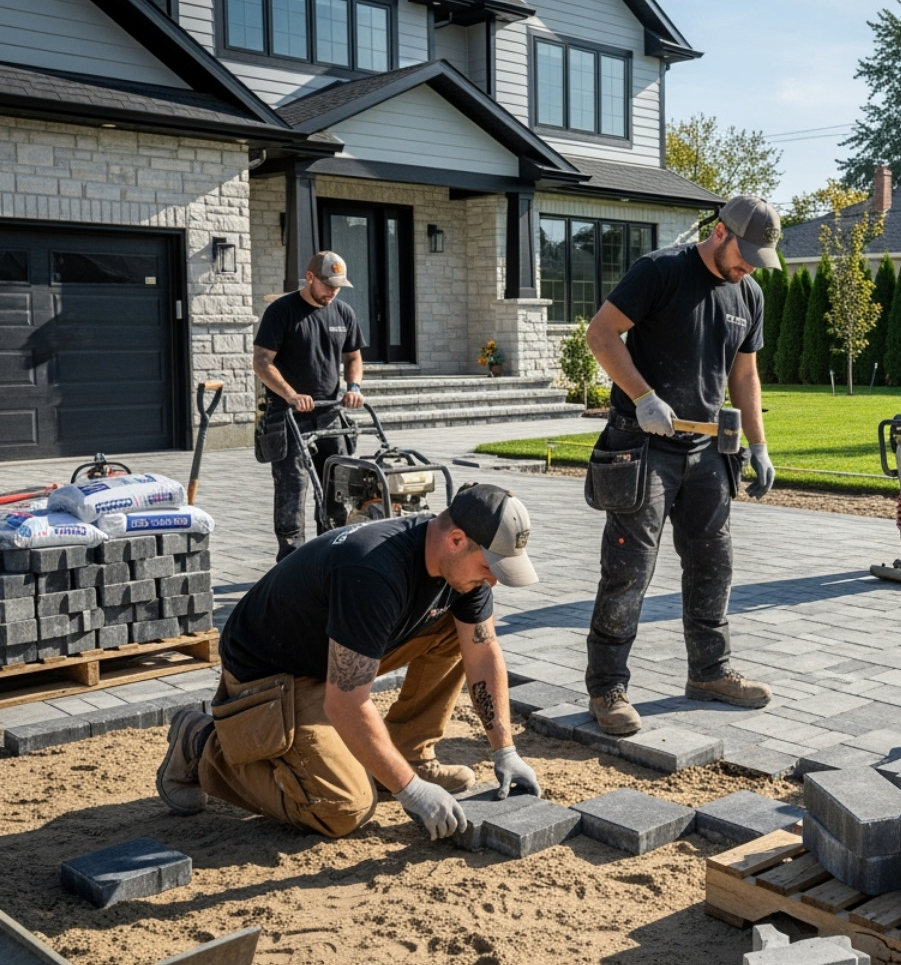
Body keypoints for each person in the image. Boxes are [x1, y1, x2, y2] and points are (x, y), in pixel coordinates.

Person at [155, 483, 543, 841]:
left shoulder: (460, 569)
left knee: (457, 631)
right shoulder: (373, 571)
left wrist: (504, 750)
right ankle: (201, 743)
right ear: (457, 540)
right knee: (343, 809)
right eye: (489, 568)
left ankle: (408, 753)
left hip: (332, 652)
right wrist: (410, 790)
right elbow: (345, 702)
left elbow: (483, 651)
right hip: (275, 671)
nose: (492, 582)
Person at [580, 195, 779, 736]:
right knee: (629, 572)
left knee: (715, 563)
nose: (748, 268)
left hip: (708, 450)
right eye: (745, 254)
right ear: (720, 232)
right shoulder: (660, 271)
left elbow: (745, 377)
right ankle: (607, 688)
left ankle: (710, 672)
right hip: (642, 446)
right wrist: (642, 396)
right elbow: (600, 335)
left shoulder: (749, 294)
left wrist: (757, 445)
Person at [253, 250, 366, 562]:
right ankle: (290, 560)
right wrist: (290, 394)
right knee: (294, 487)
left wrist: (353, 386)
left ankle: (332, 553)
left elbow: (353, 356)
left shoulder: (343, 313)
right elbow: (262, 362)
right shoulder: (282, 311)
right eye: (328, 284)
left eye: (338, 286)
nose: (332, 291)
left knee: (339, 486)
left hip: (331, 415)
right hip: (289, 417)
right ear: (311, 277)